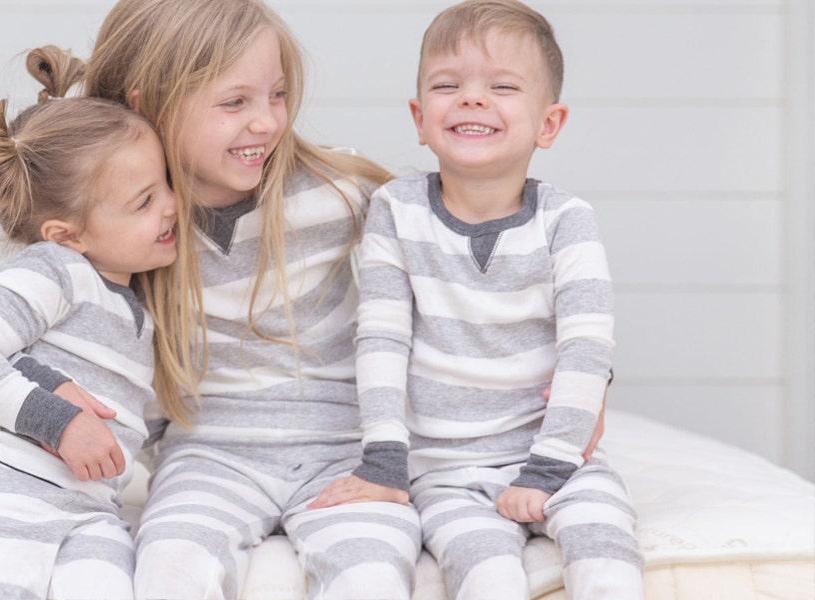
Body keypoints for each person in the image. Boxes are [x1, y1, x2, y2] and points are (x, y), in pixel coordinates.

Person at [80, 0, 423, 597]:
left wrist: (585, 379)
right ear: (146, 104)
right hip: (208, 455)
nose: (266, 122)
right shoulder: (117, 226)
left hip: (345, 450)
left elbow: (464, 279)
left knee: (372, 575)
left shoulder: (338, 194)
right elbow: (17, 312)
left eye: (277, 95)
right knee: (170, 567)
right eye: (234, 102)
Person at [351, 0, 644, 597]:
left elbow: (586, 350)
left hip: (552, 452)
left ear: (548, 124)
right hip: (443, 471)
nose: (472, 98)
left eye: (503, 86)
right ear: (419, 116)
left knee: (607, 544)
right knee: (483, 569)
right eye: (447, 84)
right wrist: (384, 457)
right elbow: (381, 337)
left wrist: (549, 467)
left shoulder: (567, 221)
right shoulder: (396, 211)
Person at [0, 46, 179, 600]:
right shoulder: (55, 270)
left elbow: (145, 426)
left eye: (167, 187)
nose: (172, 207)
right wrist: (58, 421)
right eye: (144, 201)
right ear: (66, 234)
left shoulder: (140, 311)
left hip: (92, 513)